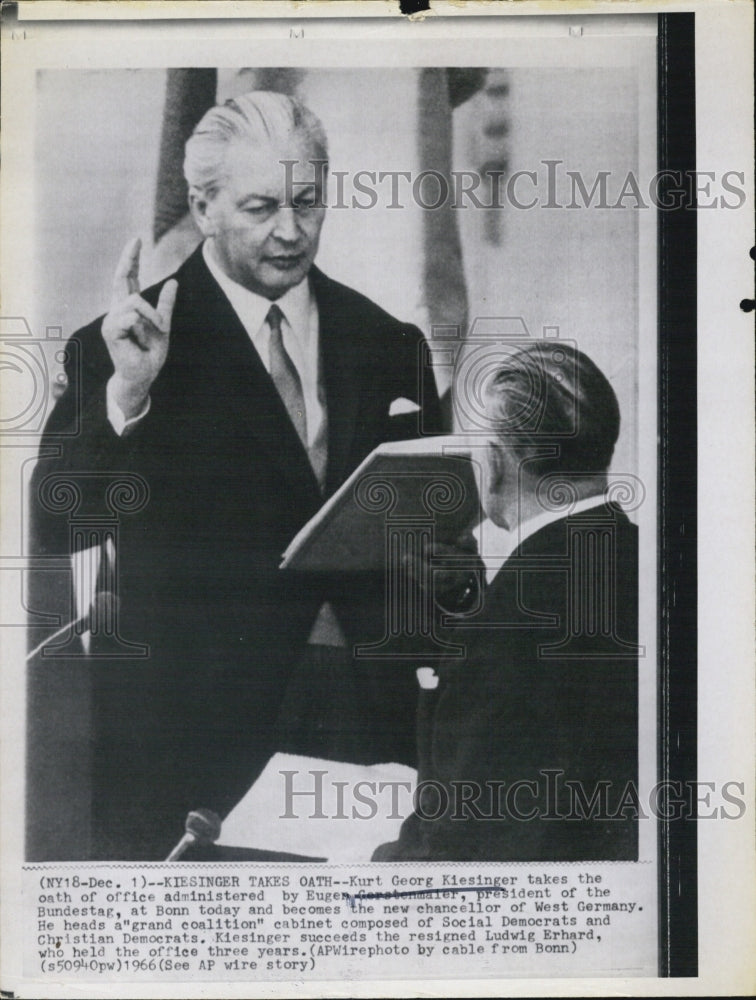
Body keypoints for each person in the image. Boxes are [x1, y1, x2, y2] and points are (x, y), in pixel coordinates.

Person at [28, 91, 441, 860]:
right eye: (260, 208)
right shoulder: (122, 344)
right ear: (202, 207)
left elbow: (439, 537)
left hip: (373, 722)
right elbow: (59, 521)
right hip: (199, 741)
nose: (291, 231)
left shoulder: (390, 343)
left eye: (308, 202)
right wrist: (127, 396)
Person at [373, 342, 639, 861]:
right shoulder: (645, 560)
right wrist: (475, 603)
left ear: (492, 463)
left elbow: (460, 850)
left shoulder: (507, 627)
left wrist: (372, 858)